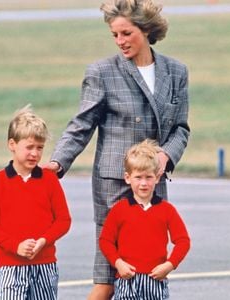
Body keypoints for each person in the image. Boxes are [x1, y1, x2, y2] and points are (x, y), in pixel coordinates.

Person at [46, 0, 190, 298]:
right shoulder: (102, 72)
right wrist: (57, 163)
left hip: (154, 183)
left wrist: (166, 155)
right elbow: (82, 124)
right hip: (113, 184)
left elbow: (181, 129)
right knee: (109, 277)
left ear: (146, 30)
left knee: (150, 275)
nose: (120, 41)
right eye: (115, 35)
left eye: (126, 33)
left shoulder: (176, 72)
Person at [0, 104, 72, 300]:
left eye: (40, 148)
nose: (35, 153)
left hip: (45, 265)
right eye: (29, 147)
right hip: (10, 266)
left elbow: (63, 220)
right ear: (12, 144)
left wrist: (44, 241)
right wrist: (16, 246)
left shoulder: (49, 180)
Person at [99, 139, 190, 299]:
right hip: (127, 281)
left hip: (155, 280)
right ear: (128, 178)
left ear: (157, 177)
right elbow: (105, 241)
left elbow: (183, 241)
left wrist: (170, 265)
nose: (143, 183)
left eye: (148, 177)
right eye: (138, 177)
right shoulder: (119, 210)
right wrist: (118, 263)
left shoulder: (167, 210)